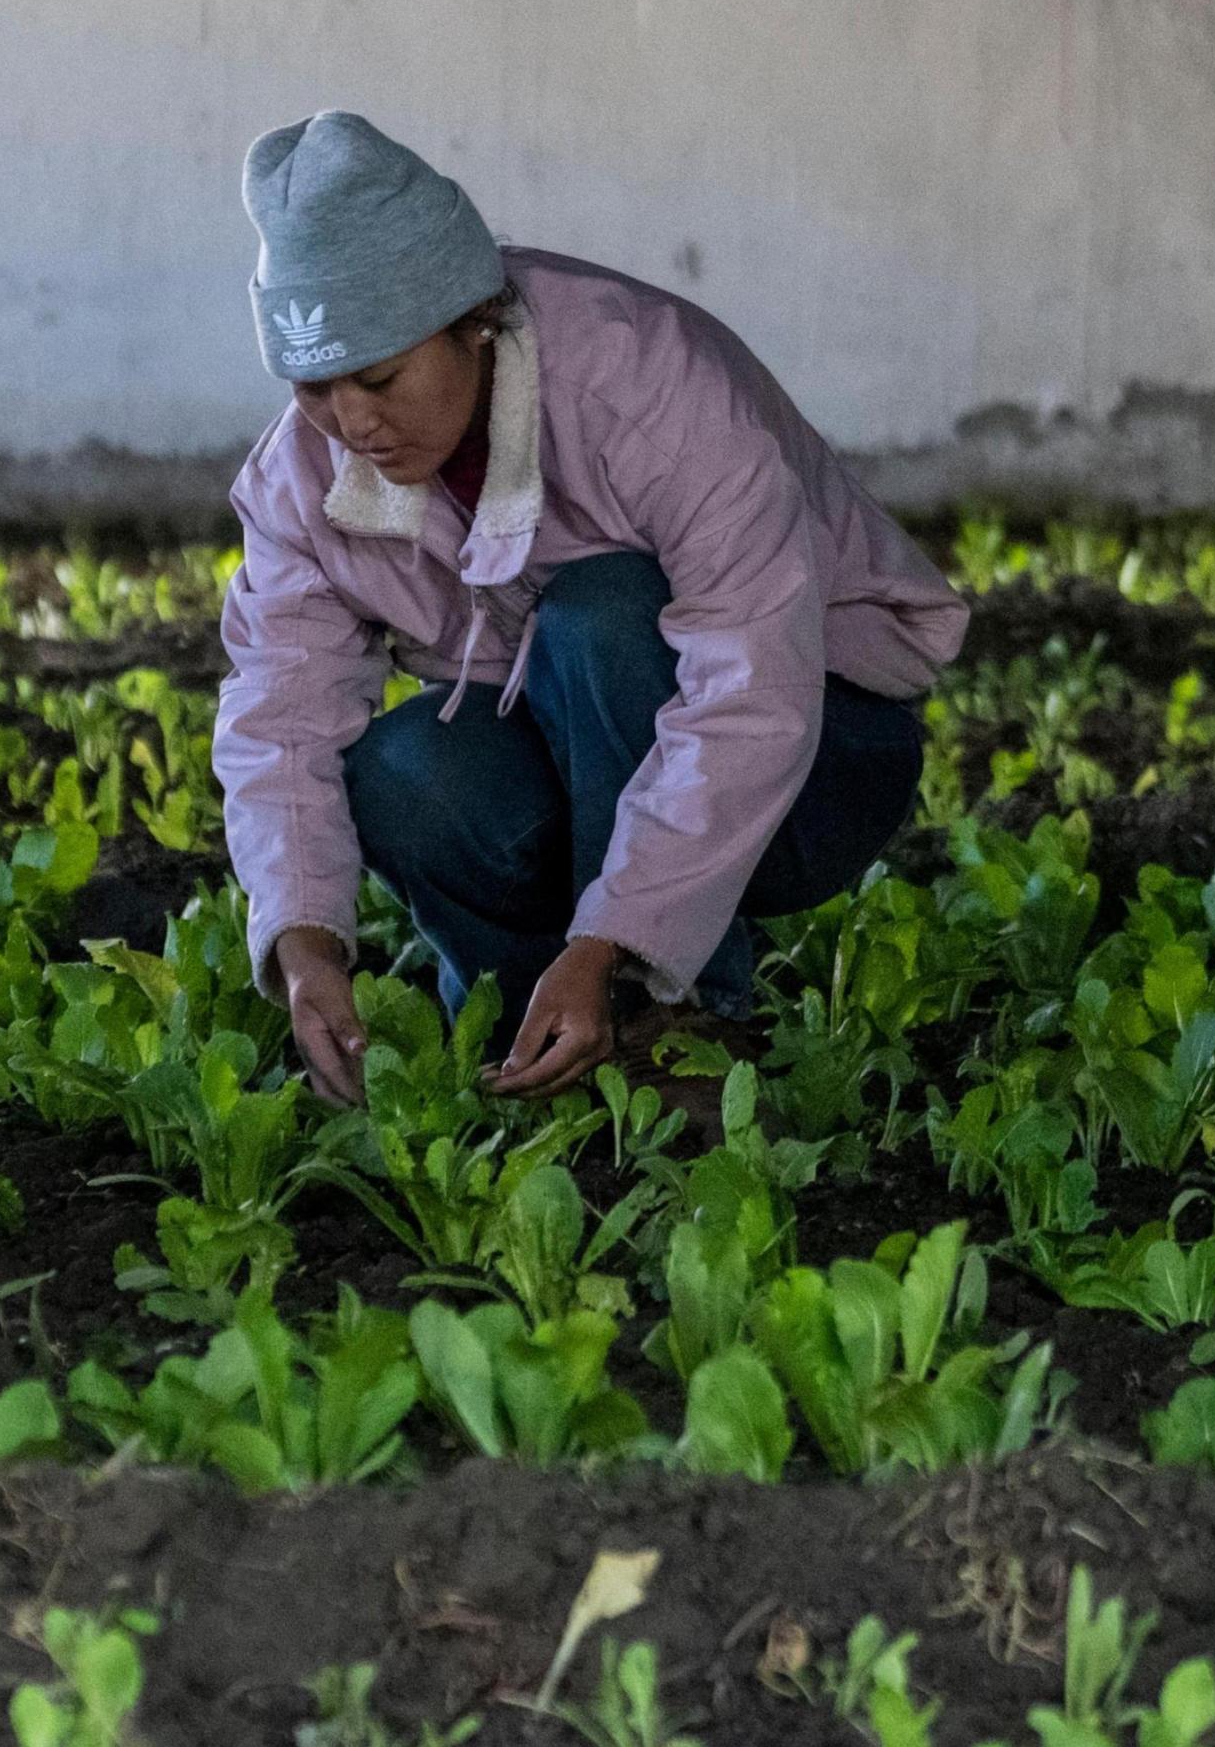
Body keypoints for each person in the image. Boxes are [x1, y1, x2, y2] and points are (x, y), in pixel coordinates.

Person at [211, 112, 966, 1105]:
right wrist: (305, 948)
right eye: (311, 388)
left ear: (473, 319)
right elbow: (282, 720)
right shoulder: (301, 480)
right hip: (577, 757)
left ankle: (678, 1021)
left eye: (381, 377)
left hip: (821, 757)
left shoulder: (653, 386)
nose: (351, 424)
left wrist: (614, 946)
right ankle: (528, 1034)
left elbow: (756, 692)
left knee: (604, 608)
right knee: (404, 768)